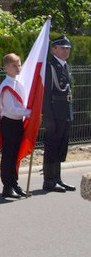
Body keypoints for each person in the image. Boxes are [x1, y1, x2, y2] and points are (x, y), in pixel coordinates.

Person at [43, 36, 76, 192]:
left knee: (61, 146)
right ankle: (49, 181)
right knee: (52, 147)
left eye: (67, 48)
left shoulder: (64, 66)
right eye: (62, 48)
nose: (65, 51)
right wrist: (48, 118)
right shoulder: (50, 67)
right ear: (53, 49)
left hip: (65, 112)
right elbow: (46, 94)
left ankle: (58, 179)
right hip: (54, 113)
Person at [0, 53, 30, 199]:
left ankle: (14, 183)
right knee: (9, 155)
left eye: (19, 64)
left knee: (15, 155)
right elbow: (11, 109)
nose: (18, 68)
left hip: (18, 123)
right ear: (6, 68)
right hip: (9, 123)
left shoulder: (18, 83)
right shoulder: (6, 85)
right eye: (14, 65)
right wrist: (29, 112)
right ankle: (7, 186)